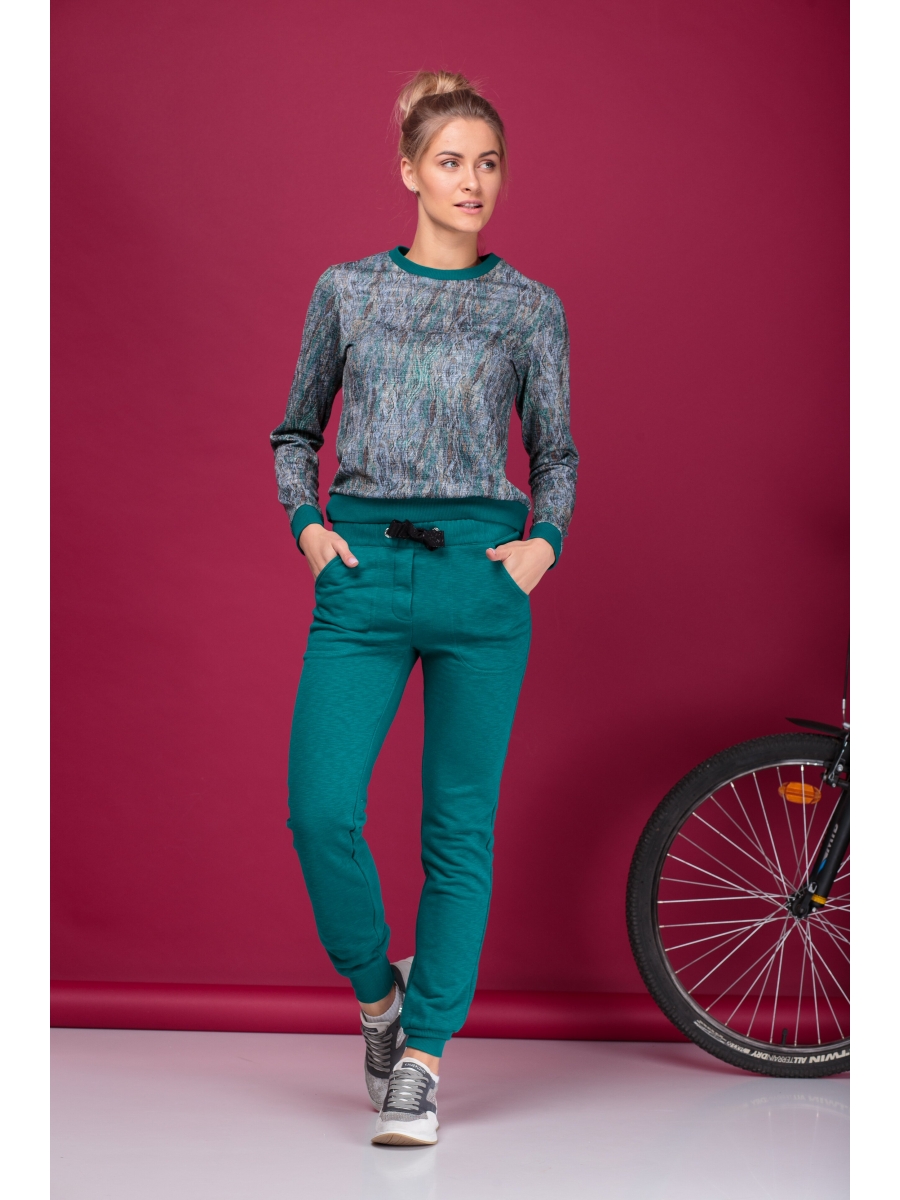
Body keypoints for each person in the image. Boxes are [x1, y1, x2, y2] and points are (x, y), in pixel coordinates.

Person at [270, 70, 578, 1146]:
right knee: (320, 813)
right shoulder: (347, 291)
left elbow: (557, 452)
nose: (472, 181)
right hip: (362, 574)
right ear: (410, 170)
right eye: (451, 161)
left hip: (481, 581)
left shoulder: (529, 308)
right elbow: (296, 431)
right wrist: (309, 530)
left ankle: (424, 1059)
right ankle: (379, 996)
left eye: (488, 163)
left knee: (458, 829)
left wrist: (542, 544)